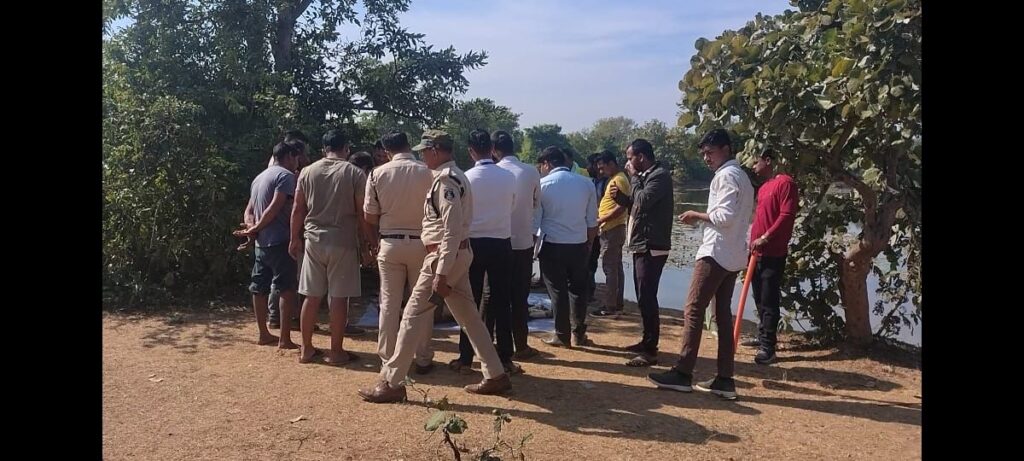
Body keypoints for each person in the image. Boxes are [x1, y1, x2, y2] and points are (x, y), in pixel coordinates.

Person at [359, 129, 512, 403]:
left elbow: (451, 230)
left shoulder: (445, 180)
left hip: (442, 256)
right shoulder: (451, 176)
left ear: (436, 150)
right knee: (469, 317)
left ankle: (392, 382)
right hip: (452, 255)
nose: (422, 156)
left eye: (425, 151)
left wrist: (441, 271)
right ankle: (495, 373)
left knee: (412, 316)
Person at [647, 128, 754, 400]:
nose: (707, 158)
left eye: (710, 152)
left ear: (726, 150)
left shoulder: (726, 176)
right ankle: (725, 379)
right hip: (733, 255)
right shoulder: (742, 176)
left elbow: (725, 217)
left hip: (716, 252)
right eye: (704, 153)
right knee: (722, 316)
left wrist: (696, 214)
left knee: (694, 309)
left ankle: (683, 373)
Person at [290, 129, 371, 365]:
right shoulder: (354, 173)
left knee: (311, 296)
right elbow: (362, 213)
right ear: (346, 148)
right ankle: (336, 351)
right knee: (338, 297)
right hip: (343, 241)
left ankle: (306, 349)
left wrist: (294, 238)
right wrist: (369, 242)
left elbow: (298, 208)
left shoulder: (307, 171)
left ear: (323, 149)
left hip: (313, 240)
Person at [364, 130, 437, 374]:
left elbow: (369, 216)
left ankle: (387, 358)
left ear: (386, 151)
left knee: (389, 303)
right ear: (409, 145)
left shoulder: (377, 174)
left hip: (390, 243)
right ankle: (423, 356)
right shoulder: (428, 172)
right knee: (422, 302)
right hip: (423, 243)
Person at [452, 129, 520, 375]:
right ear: (492, 149)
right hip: (501, 242)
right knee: (502, 301)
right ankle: (505, 356)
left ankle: (466, 356)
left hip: (473, 243)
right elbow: (512, 206)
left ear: (471, 151)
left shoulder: (465, 177)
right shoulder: (508, 177)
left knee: (468, 301)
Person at [610, 140, 674, 367]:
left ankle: (650, 350)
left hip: (652, 245)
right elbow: (636, 204)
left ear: (641, 157)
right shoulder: (648, 176)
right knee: (642, 296)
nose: (628, 162)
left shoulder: (659, 176)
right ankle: (647, 341)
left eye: (630, 158)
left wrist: (634, 178)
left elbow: (644, 201)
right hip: (642, 244)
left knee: (647, 296)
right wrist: (622, 199)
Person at [236, 141, 303, 349]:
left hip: (261, 243)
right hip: (280, 241)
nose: (298, 163)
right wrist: (255, 228)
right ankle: (284, 338)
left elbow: (249, 210)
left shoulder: (259, 177)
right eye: (297, 158)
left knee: (259, 287)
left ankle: (263, 334)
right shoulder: (286, 176)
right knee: (286, 289)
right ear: (290, 156)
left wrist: (252, 229)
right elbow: (275, 207)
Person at [533, 146, 598, 348]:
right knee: (578, 290)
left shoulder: (542, 185)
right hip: (579, 244)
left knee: (557, 291)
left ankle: (562, 335)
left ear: (547, 164)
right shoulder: (586, 183)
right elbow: (592, 222)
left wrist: (532, 249)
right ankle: (578, 333)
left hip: (552, 244)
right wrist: (589, 244)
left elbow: (535, 222)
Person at [744, 148, 799, 365]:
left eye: (755, 161)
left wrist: (766, 237)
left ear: (767, 161)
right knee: (758, 297)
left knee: (769, 299)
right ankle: (762, 335)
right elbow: (759, 218)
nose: (753, 166)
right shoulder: (764, 187)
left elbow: (786, 215)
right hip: (756, 253)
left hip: (773, 252)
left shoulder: (785, 183)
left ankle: (769, 347)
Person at [493, 130, 542, 360]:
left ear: (494, 151)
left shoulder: (494, 173)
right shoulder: (531, 171)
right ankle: (521, 345)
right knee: (520, 297)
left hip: (498, 242)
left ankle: (491, 345)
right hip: (523, 242)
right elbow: (537, 204)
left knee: (495, 296)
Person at [592, 150, 631, 319]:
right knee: (615, 267)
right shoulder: (615, 178)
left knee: (610, 268)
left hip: (613, 229)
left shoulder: (619, 180)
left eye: (603, 167)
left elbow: (621, 207)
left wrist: (601, 219)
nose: (601, 171)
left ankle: (610, 306)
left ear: (611, 164)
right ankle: (616, 303)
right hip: (611, 228)